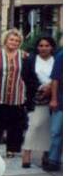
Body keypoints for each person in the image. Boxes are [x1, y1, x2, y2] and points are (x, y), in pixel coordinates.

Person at [0, 29, 29, 158]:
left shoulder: (24, 56)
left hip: (17, 96)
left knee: (15, 125)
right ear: (5, 40)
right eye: (11, 39)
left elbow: (29, 75)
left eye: (17, 41)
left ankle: (11, 149)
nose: (14, 42)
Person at [21, 36, 56, 168]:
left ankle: (46, 154)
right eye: (41, 45)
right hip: (36, 96)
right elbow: (26, 76)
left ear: (52, 47)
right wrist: (41, 88)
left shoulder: (57, 60)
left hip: (54, 95)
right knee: (34, 125)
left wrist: (50, 87)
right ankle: (27, 152)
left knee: (49, 128)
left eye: (47, 45)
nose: (43, 48)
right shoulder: (31, 60)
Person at [44, 47, 63, 172]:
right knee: (56, 131)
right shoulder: (62, 55)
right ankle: (53, 159)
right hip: (61, 100)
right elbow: (55, 79)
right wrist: (54, 99)